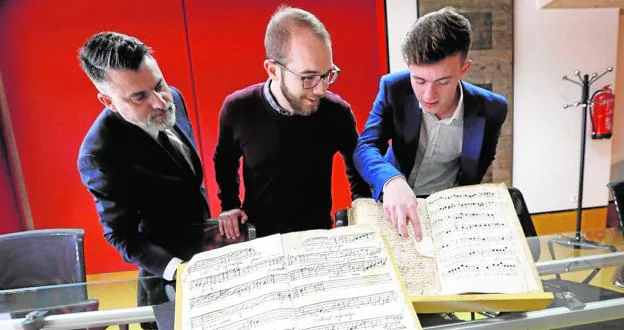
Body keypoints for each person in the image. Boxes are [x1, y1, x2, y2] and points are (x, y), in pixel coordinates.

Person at [77, 32, 210, 306]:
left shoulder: (173, 97)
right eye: (139, 97)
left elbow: (187, 179)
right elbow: (121, 235)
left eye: (159, 85)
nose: (161, 102)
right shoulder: (99, 154)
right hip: (168, 276)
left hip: (207, 245)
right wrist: (179, 270)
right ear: (109, 102)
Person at [214, 6, 370, 238]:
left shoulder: (337, 112)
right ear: (273, 70)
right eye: (308, 78)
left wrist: (362, 203)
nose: (321, 89)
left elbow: (358, 163)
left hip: (318, 235)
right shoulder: (238, 109)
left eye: (327, 74)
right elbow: (224, 160)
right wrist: (230, 203)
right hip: (260, 238)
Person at [353, 7, 508, 241]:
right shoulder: (393, 88)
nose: (428, 94)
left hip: (447, 211)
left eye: (443, 81)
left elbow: (479, 165)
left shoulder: (493, 108)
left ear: (464, 69)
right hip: (393, 201)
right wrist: (391, 180)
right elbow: (365, 146)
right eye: (419, 80)